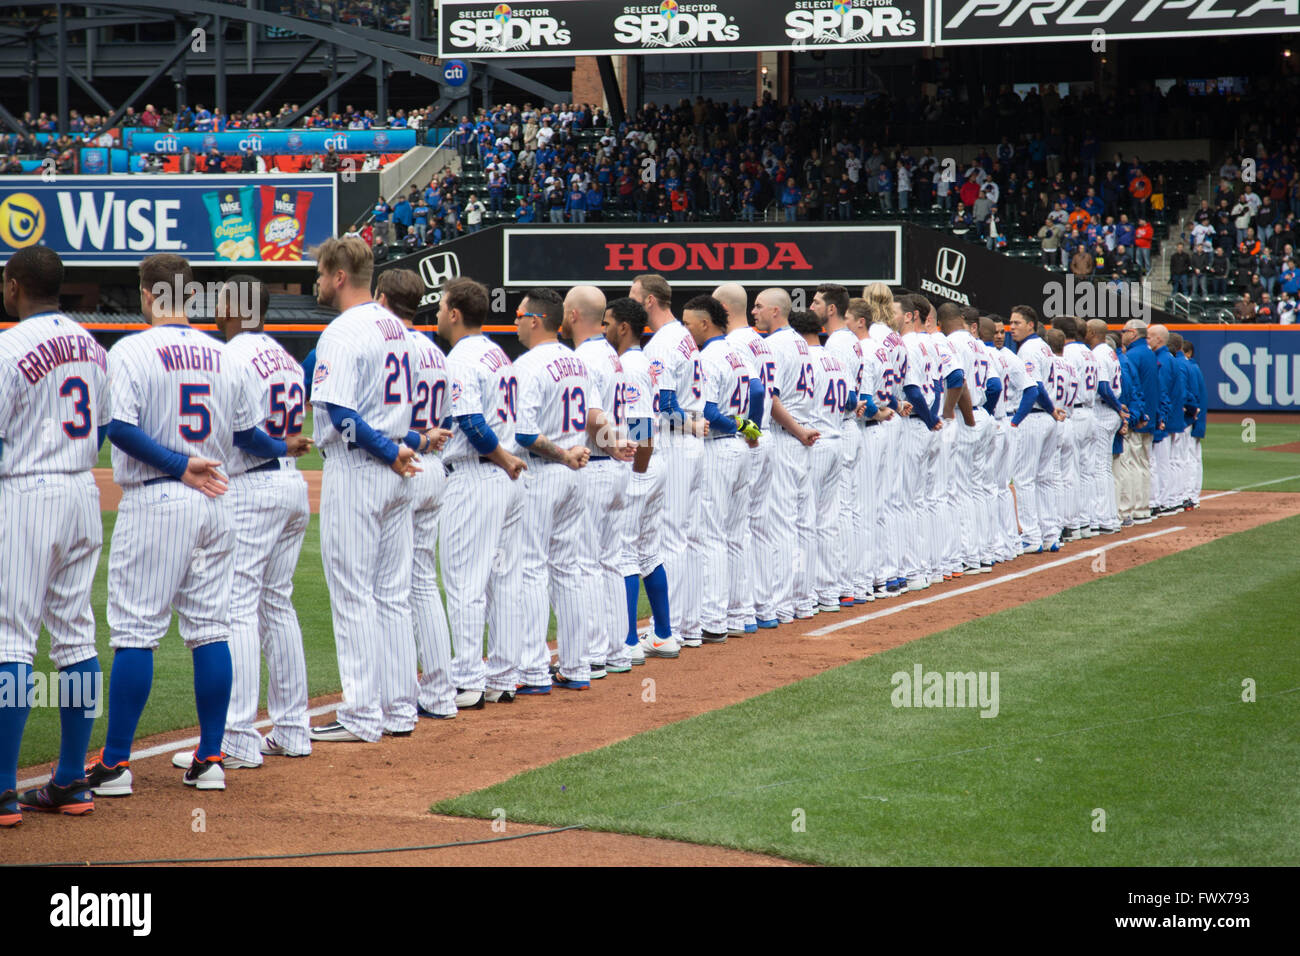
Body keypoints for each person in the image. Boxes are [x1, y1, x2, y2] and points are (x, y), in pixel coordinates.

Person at [86, 254, 275, 796]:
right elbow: (247, 437)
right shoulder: (226, 355)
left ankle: (117, 765)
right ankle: (211, 758)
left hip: (159, 497)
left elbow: (119, 428)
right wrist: (283, 448)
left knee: (135, 631)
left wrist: (175, 463)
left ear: (147, 294)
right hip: (217, 500)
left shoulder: (132, 350)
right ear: (190, 298)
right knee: (211, 628)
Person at [0, 248, 108, 823]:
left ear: (15, 286)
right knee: (75, 637)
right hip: (81, 492)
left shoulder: (7, 347)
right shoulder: (92, 345)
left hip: (25, 493)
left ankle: (1, 790)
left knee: (11, 640)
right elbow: (107, 425)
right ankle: (71, 780)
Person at [307, 238, 427, 743]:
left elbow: (341, 415)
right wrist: (396, 449)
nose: (316, 281)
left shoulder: (342, 330)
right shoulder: (398, 329)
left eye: (319, 272)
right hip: (399, 469)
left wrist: (382, 449)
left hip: (362, 466)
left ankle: (360, 713)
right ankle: (399, 709)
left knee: (354, 593)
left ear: (338, 275)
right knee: (392, 595)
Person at [209, 276, 314, 768]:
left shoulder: (231, 357)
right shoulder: (285, 356)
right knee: (277, 604)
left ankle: (237, 737)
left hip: (253, 485)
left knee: (238, 607)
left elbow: (244, 433)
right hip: (292, 486)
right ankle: (293, 730)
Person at [437, 277, 528, 709]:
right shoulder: (497, 353)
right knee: (503, 581)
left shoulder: (461, 358)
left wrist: (501, 457)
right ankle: (503, 676)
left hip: (480, 474)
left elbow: (472, 423)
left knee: (465, 582)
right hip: (507, 481)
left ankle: (468, 680)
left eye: (440, 307)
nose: (437, 314)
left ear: (455, 313)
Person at [375, 270, 457, 722]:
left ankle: (397, 698)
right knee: (421, 581)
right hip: (434, 466)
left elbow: (386, 418)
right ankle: (440, 693)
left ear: (381, 299)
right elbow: (442, 422)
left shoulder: (391, 344)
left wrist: (415, 440)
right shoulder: (434, 349)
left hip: (404, 462)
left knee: (389, 587)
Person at [511, 288, 599, 691]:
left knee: (530, 568)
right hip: (574, 471)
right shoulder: (576, 362)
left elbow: (526, 432)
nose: (514, 321)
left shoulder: (529, 365)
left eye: (518, 314)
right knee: (569, 569)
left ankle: (532, 669)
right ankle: (577, 666)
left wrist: (562, 455)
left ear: (535, 319)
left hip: (546, 470)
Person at [563, 286, 637, 675]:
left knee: (587, 562)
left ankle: (592, 652)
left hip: (596, 464)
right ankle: (615, 650)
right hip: (615, 470)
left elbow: (593, 416)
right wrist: (623, 447)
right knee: (609, 561)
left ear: (574, 314)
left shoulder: (587, 355)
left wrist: (613, 443)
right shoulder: (612, 354)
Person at [633, 273, 708, 648]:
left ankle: (673, 626)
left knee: (674, 537)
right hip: (690, 444)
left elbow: (666, 405)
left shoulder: (662, 343)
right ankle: (689, 624)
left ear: (649, 300)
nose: (630, 300)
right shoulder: (683, 335)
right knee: (689, 536)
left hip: (677, 443)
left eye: (633, 294)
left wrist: (689, 425)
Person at [602, 297, 678, 659]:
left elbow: (642, 427)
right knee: (648, 551)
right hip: (652, 461)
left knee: (625, 553)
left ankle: (630, 641)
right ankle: (663, 634)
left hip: (641, 462)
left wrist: (638, 472)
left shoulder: (629, 365)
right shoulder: (640, 361)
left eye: (607, 323)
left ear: (624, 328)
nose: (603, 330)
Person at [683, 295, 757, 641]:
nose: (686, 330)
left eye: (688, 324)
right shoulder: (736, 351)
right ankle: (738, 613)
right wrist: (748, 426)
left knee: (711, 533)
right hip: (740, 448)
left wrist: (738, 426)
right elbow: (757, 391)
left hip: (719, 448)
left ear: (704, 323)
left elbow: (709, 413)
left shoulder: (709, 356)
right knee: (736, 533)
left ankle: (713, 618)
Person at [752, 287, 821, 618]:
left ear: (776, 311)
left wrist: (797, 430)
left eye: (759, 307)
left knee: (779, 523)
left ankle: (780, 603)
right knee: (802, 523)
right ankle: (802, 599)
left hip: (788, 434)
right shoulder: (800, 343)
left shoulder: (774, 345)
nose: (755, 312)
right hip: (803, 435)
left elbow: (772, 400)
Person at [1007, 304, 1067, 553]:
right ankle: (1050, 534)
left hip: (1034, 416)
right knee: (1045, 478)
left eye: (1017, 323)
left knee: (1024, 479)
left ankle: (1031, 536)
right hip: (1047, 419)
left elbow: (1035, 386)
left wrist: (1050, 408)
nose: (1012, 328)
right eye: (1011, 323)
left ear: (1031, 324)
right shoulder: (1043, 346)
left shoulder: (1030, 348)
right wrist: (1052, 410)